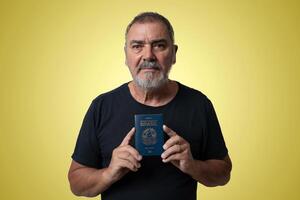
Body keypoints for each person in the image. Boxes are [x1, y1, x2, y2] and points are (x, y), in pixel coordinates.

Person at [68, 12, 232, 200]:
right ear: (126, 54)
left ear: (174, 53)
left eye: (159, 45)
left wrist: (193, 166)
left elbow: (224, 173)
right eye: (137, 46)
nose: (148, 56)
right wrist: (109, 173)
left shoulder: (199, 104)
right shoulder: (102, 106)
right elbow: (76, 183)